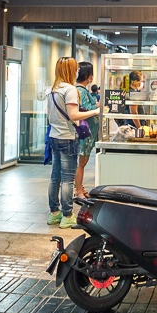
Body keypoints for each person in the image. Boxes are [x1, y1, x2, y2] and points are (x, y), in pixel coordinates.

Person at [47, 57, 101, 228]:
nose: (78, 71)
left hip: (54, 136)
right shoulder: (70, 90)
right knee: (68, 179)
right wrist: (94, 112)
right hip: (67, 138)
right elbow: (74, 115)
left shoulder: (53, 89)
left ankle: (54, 213)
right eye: (75, 68)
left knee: (55, 177)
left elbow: (49, 116)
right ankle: (67, 215)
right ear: (70, 70)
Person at [74, 61, 100, 199]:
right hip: (85, 132)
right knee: (82, 162)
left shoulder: (80, 90)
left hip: (86, 131)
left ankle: (80, 186)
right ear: (88, 76)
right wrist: (97, 109)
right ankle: (78, 189)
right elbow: (84, 108)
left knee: (82, 162)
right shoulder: (81, 90)